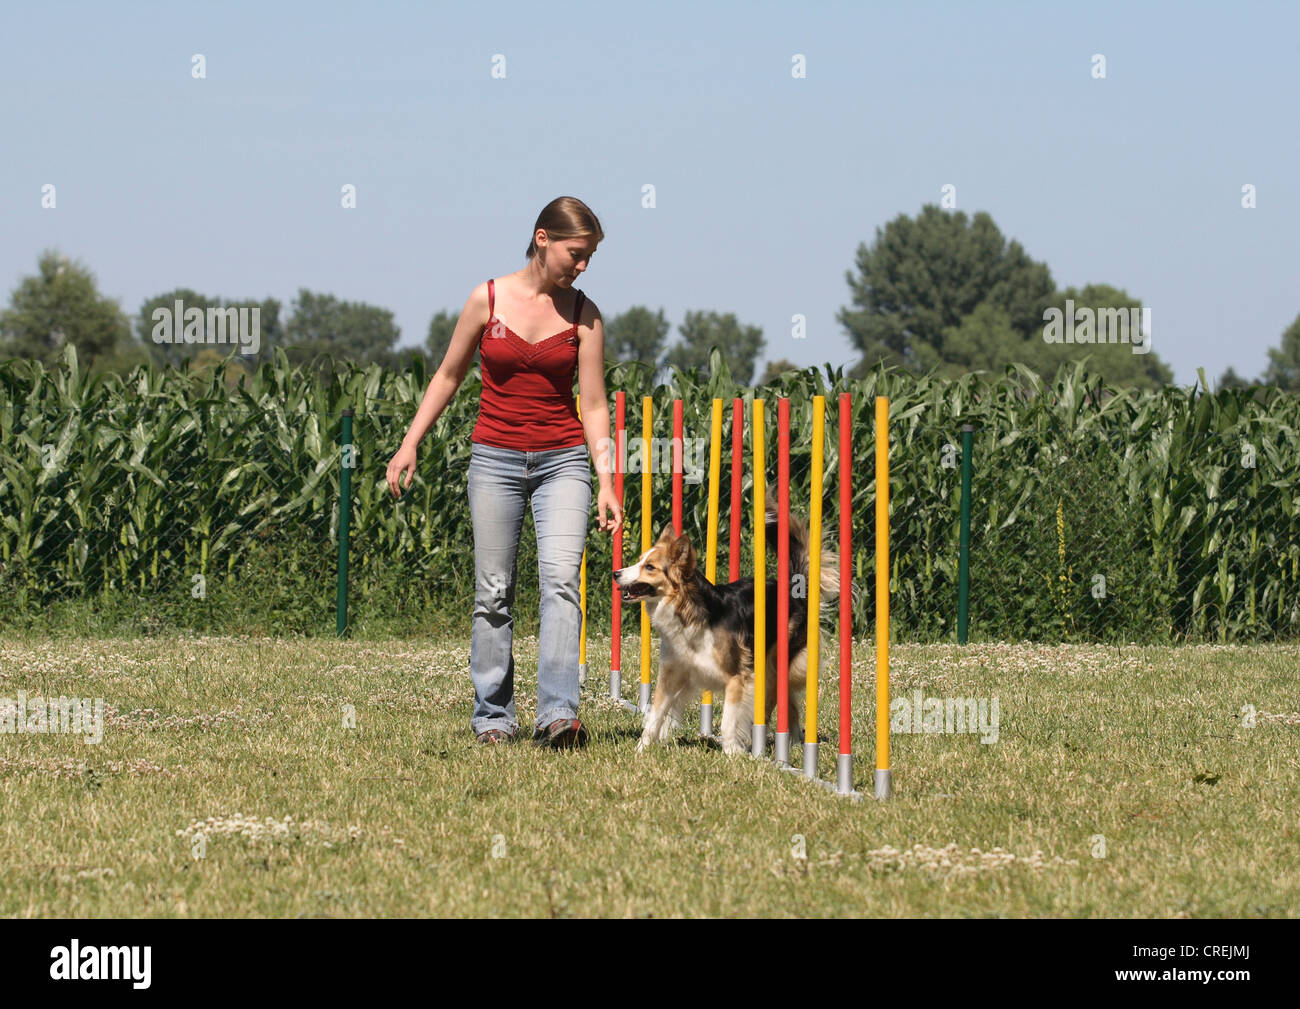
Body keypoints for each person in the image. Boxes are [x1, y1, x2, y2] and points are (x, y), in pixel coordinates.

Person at [386, 196, 622, 749]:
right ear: (543, 239)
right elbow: (447, 375)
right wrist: (409, 444)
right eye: (576, 253)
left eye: (589, 257)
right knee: (493, 591)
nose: (582, 265)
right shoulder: (486, 298)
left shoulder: (585, 315)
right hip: (495, 460)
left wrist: (608, 480)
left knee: (562, 583)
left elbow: (593, 404)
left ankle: (558, 715)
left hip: (563, 460)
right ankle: (493, 717)